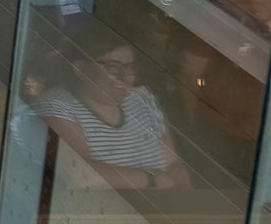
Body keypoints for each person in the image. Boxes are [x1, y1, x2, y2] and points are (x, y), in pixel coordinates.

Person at [34, 22, 188, 190]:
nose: (124, 77)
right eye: (113, 67)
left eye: (130, 67)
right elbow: (79, 174)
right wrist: (153, 180)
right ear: (79, 68)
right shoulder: (57, 106)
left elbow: (175, 167)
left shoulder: (142, 100)